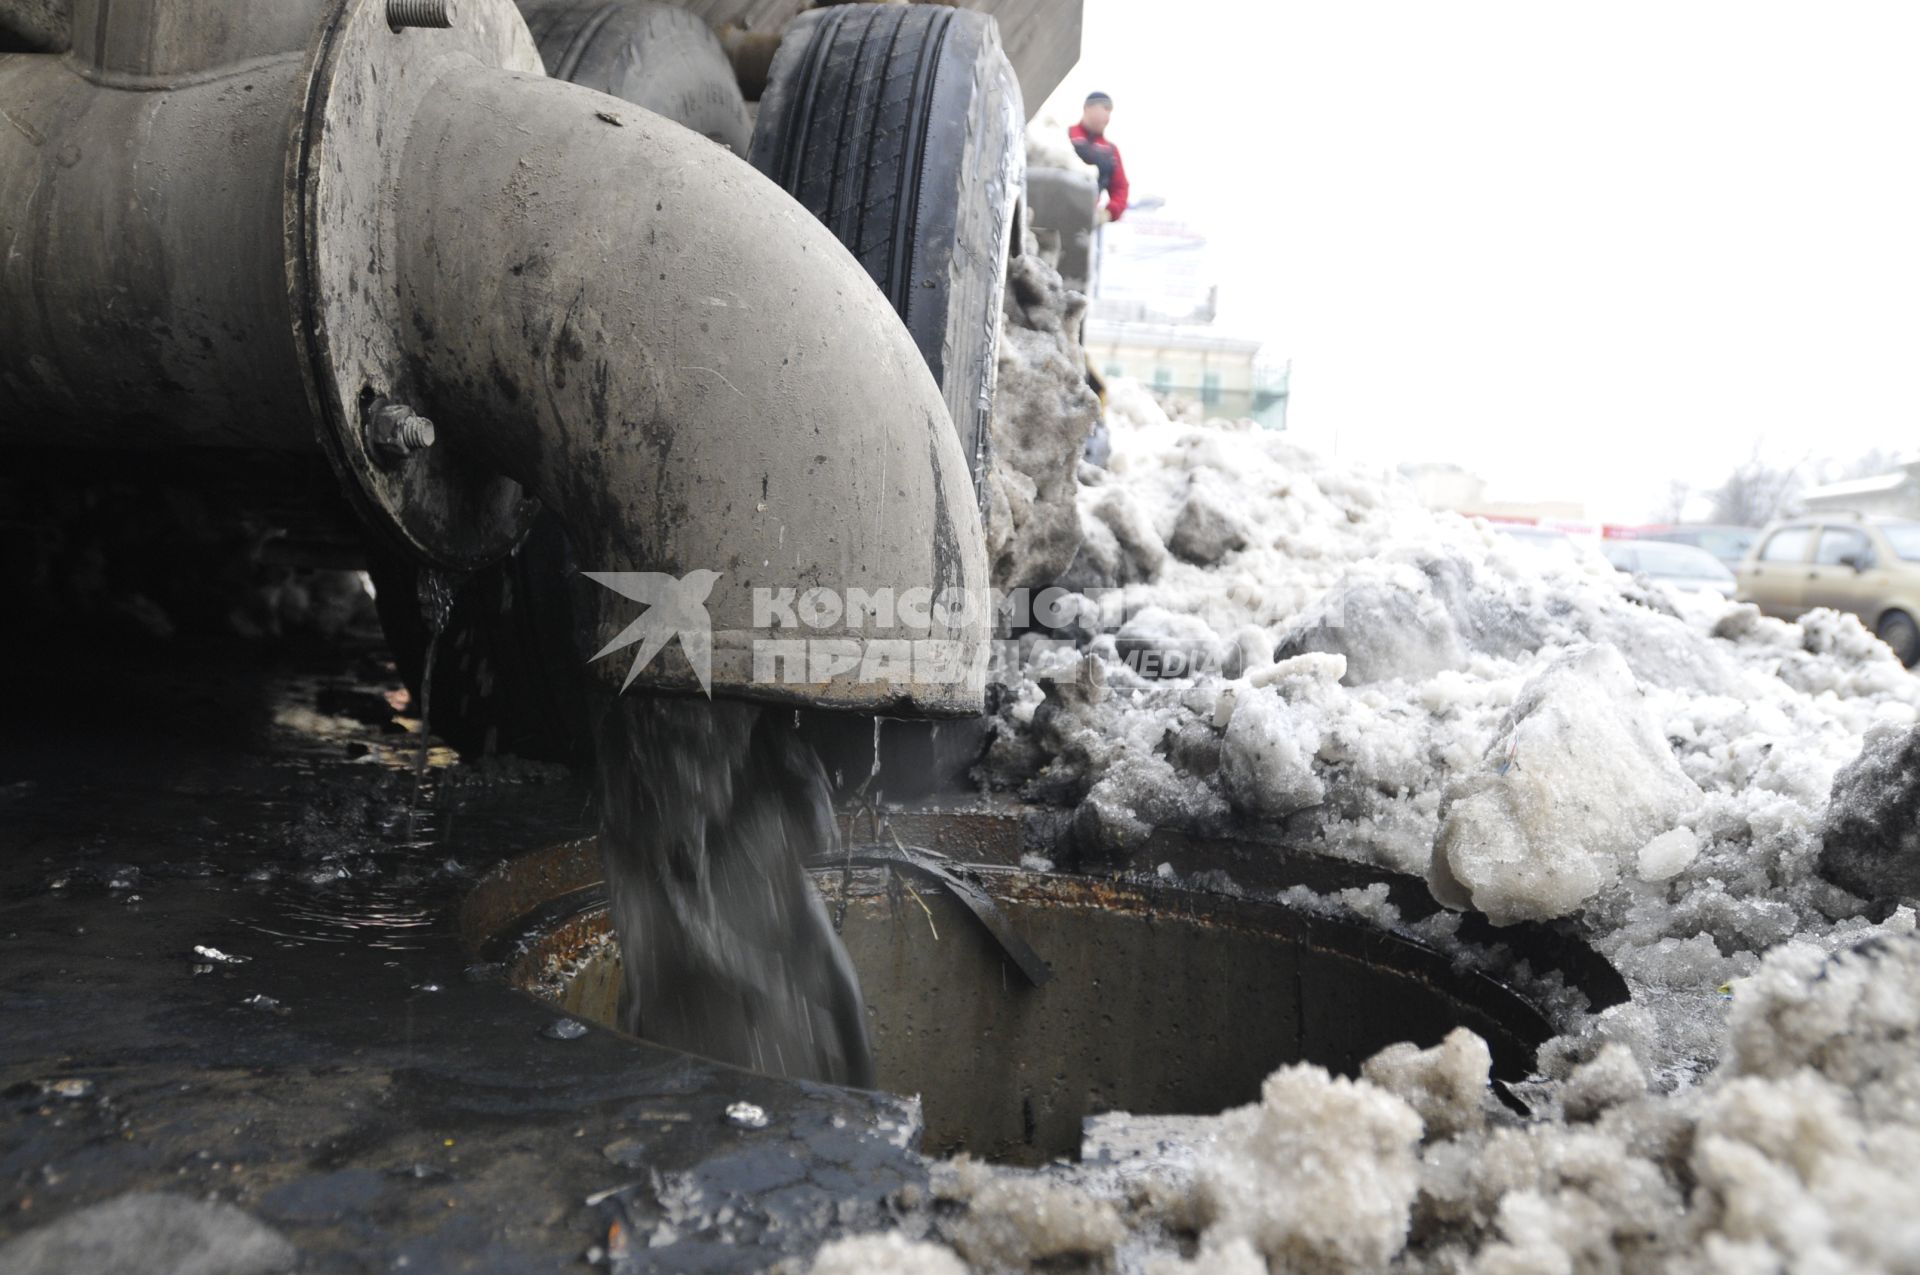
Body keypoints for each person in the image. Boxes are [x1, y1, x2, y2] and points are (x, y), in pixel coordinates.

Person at [1069, 91, 1130, 224]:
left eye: (1110, 112)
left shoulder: (1111, 152)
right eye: (1105, 109)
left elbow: (1121, 188)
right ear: (1087, 107)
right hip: (1051, 212)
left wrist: (1108, 212)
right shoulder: (1065, 137)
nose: (1108, 116)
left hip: (1083, 222)